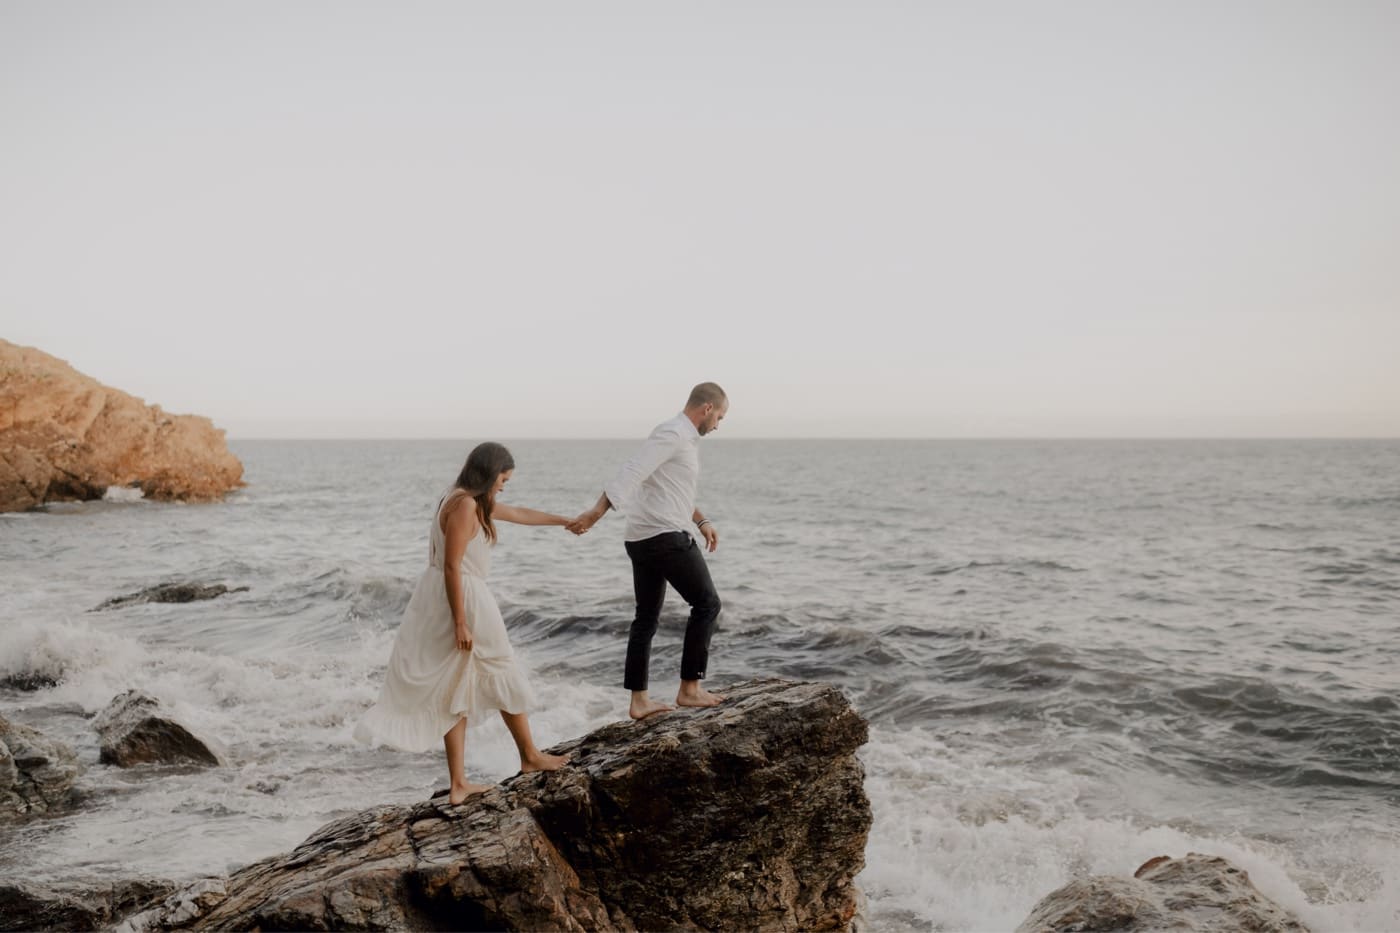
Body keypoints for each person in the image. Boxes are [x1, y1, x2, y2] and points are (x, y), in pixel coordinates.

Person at [354, 442, 573, 804]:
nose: (504, 486)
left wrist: (565, 521)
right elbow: (454, 565)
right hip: (464, 599)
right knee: (502, 669)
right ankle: (530, 756)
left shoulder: (460, 498)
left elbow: (518, 513)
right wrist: (460, 622)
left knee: (458, 684)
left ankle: (459, 783)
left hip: (443, 597)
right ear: (489, 473)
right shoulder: (465, 505)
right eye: (503, 479)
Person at [568, 382, 729, 720]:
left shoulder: (678, 437)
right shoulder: (673, 433)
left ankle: (639, 701)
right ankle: (689, 689)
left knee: (646, 617)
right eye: (720, 417)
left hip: (642, 537)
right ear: (707, 409)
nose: (718, 426)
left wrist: (702, 521)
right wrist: (594, 514)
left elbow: (672, 491)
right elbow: (632, 472)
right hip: (665, 536)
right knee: (707, 603)